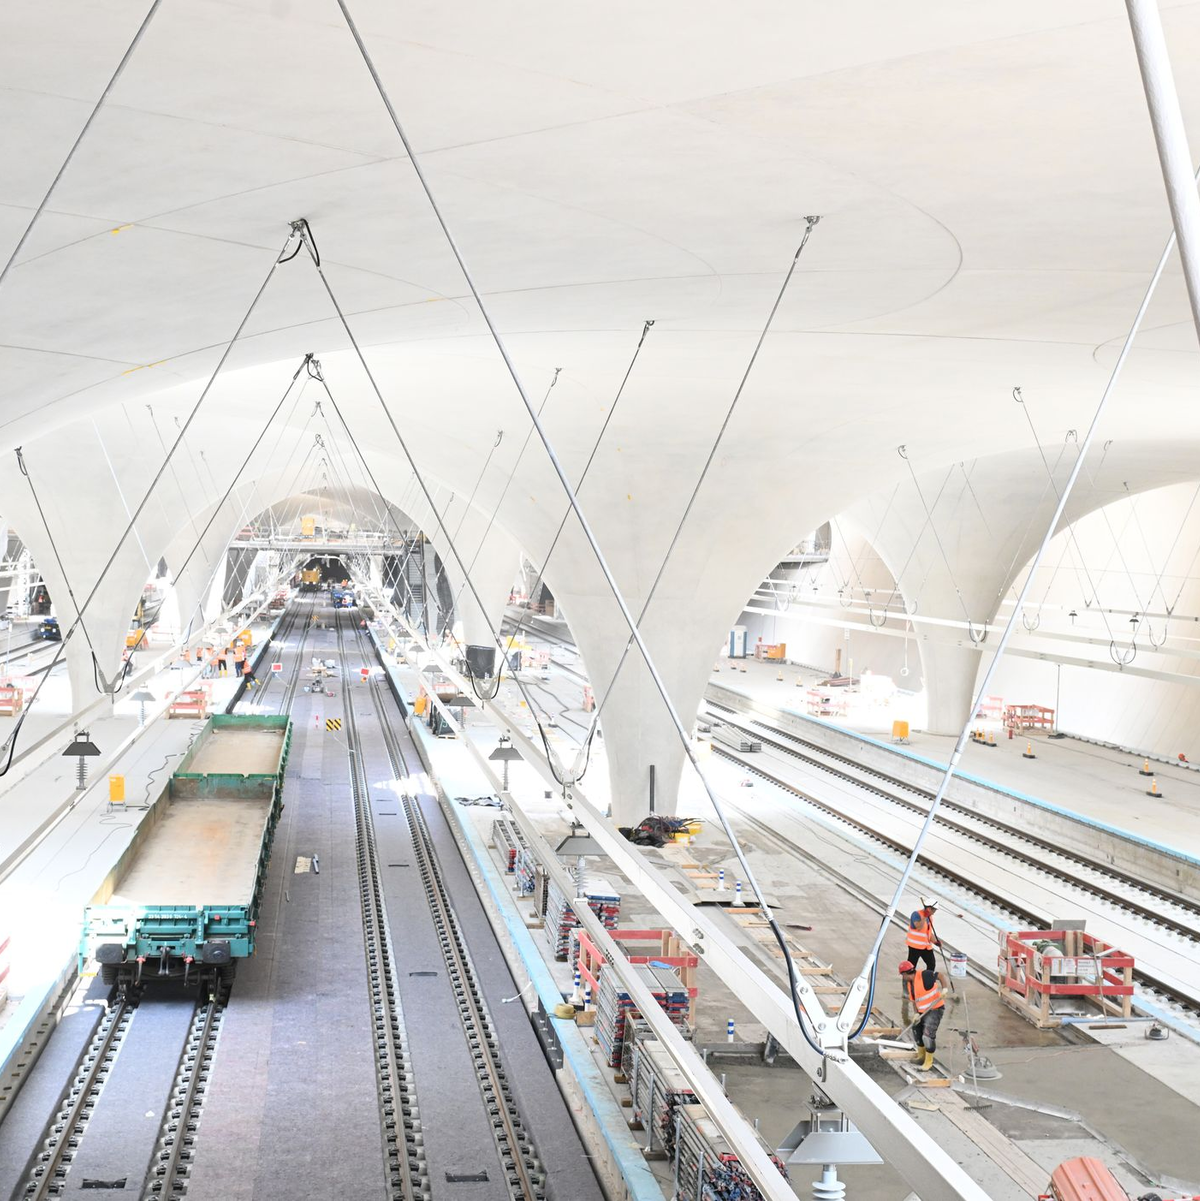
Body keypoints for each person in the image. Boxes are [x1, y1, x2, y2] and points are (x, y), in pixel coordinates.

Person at [899, 960, 946, 1071]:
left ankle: (928, 1062)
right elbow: (914, 1001)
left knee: (927, 1035)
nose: (902, 977)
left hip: (935, 1009)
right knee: (917, 1030)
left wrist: (944, 988)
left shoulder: (924, 975)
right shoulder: (910, 984)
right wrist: (916, 1014)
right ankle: (921, 1056)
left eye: (902, 975)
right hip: (921, 1011)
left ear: (906, 973)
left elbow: (940, 975)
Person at [906, 904, 939, 973]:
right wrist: (925, 916)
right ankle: (909, 982)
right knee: (911, 967)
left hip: (926, 947)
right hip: (915, 947)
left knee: (931, 964)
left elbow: (928, 932)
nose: (934, 912)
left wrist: (936, 942)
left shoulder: (930, 917)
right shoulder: (916, 914)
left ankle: (928, 979)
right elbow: (918, 927)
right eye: (934, 910)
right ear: (929, 909)